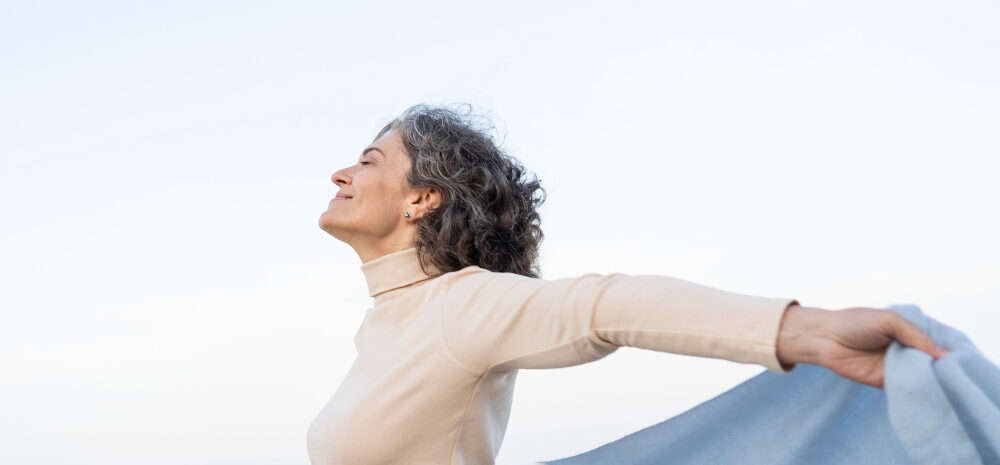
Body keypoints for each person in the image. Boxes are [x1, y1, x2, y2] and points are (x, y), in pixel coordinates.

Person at [308, 103, 949, 465]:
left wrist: (810, 332)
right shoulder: (384, 324)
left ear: (423, 198)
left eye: (368, 161)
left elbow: (604, 305)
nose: (342, 173)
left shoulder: (461, 305)